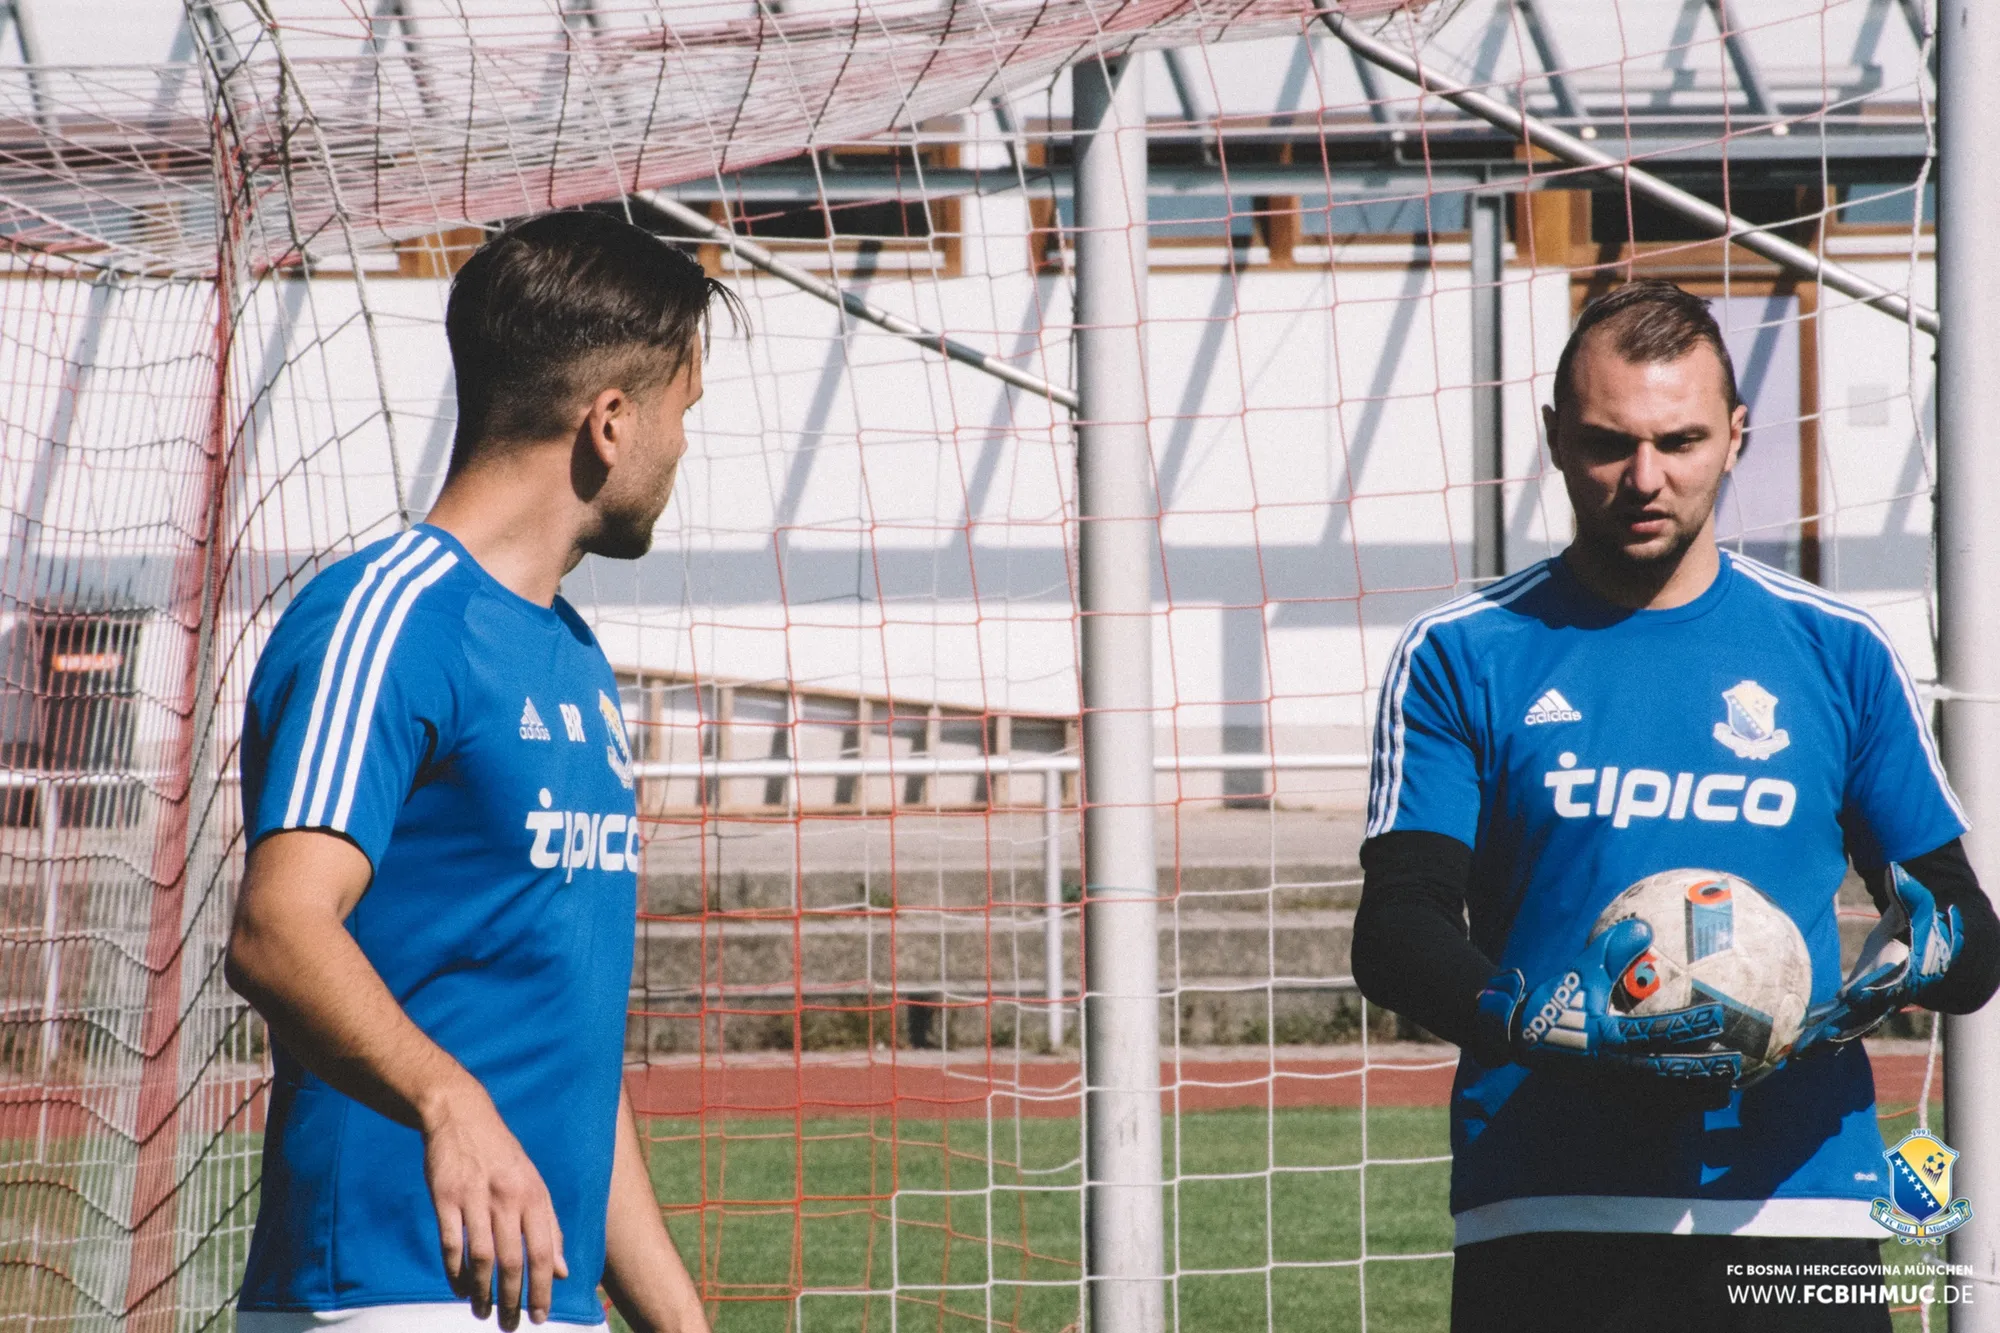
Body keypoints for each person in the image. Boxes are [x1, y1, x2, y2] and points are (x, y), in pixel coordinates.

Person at [1349, 279, 2000, 1331]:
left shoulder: (1837, 650)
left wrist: (1907, 964)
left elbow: (1965, 927)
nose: (1644, 478)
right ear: (1554, 439)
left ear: (1735, 435)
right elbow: (1396, 929)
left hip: (1796, 1207)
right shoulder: (1462, 654)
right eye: (1609, 444)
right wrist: (1533, 1024)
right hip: (1547, 1201)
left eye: (1680, 440)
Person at [226, 210, 740, 1332]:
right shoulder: (386, 620)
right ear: (611, 422)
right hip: (385, 1290)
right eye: (681, 413)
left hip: (544, 1299)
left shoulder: (571, 654)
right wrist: (447, 1099)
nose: (680, 450)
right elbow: (276, 927)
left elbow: (565, 1056)